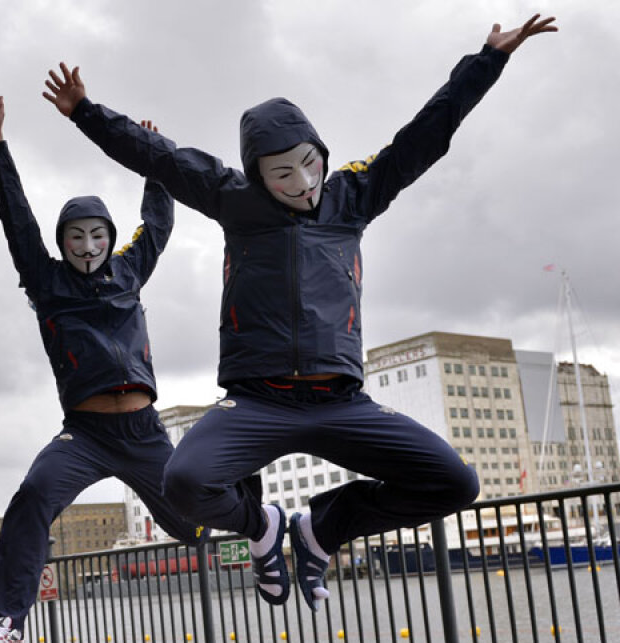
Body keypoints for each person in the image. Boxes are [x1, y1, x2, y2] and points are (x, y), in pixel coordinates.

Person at [42, 15, 557, 611]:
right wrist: (85, 111)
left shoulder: (353, 195)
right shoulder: (233, 199)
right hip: (258, 400)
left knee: (455, 483)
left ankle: (322, 529)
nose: (304, 182)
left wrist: (486, 61)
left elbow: (425, 136)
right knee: (183, 481)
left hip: (341, 400)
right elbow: (160, 156)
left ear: (322, 156)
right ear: (258, 175)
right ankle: (262, 526)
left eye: (311, 164)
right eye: (283, 173)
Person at [0, 89, 203, 643]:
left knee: (195, 525)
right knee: (33, 496)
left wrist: (150, 153)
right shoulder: (45, 281)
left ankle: (282, 528)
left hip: (145, 433)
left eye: (98, 235)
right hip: (86, 433)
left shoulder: (129, 269)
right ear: (62, 243)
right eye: (77, 238)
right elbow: (16, 219)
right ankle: (6, 628)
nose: (89, 247)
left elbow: (158, 220)